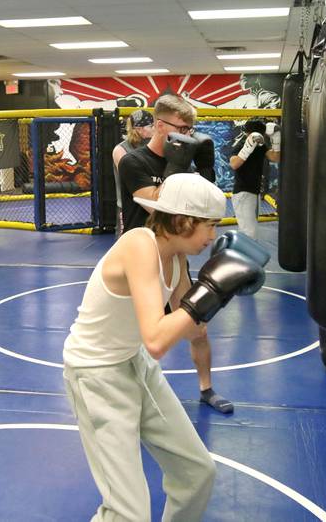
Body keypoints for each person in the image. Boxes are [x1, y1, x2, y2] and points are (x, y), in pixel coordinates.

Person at [63, 173, 265, 521]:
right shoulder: (139, 245)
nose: (212, 236)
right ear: (184, 220)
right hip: (95, 374)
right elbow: (157, 339)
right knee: (129, 513)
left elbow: (192, 329)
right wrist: (211, 291)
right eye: (210, 225)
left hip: (135, 364)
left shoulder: (176, 257)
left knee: (197, 473)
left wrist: (218, 290)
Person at [118, 93, 234, 414]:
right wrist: (177, 164)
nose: (188, 135)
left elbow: (201, 204)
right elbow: (154, 201)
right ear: (159, 125)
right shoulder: (133, 161)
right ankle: (133, 398)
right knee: (140, 337)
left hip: (175, 258)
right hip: (141, 257)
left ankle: (206, 388)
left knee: (198, 326)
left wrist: (207, 170)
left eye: (191, 129)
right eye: (182, 128)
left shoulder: (186, 163)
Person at [229, 119, 280, 240]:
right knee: (248, 232)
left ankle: (245, 256)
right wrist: (247, 148)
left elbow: (275, 158)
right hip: (243, 192)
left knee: (250, 231)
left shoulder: (260, 145)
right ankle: (244, 258)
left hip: (254, 192)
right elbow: (234, 164)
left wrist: (277, 140)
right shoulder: (242, 143)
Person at [112, 109, 154, 236]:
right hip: (129, 205)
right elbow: (131, 177)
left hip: (150, 201)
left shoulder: (153, 146)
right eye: (151, 126)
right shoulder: (121, 149)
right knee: (128, 242)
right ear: (139, 129)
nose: (154, 129)